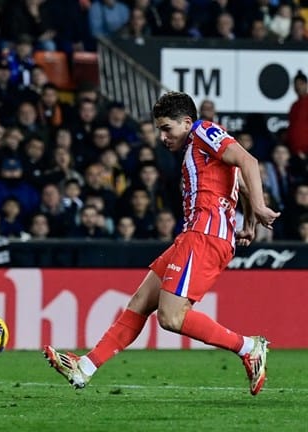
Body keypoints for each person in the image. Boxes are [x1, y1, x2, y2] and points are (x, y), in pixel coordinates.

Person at [44, 91, 280, 396]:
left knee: (171, 317)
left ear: (186, 122)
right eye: (159, 129)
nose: (162, 136)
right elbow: (242, 181)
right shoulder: (201, 150)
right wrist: (248, 222)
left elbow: (248, 160)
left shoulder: (203, 131)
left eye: (166, 128)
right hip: (194, 235)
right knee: (140, 302)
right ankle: (85, 367)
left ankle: (248, 347)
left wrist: (259, 208)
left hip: (205, 237)